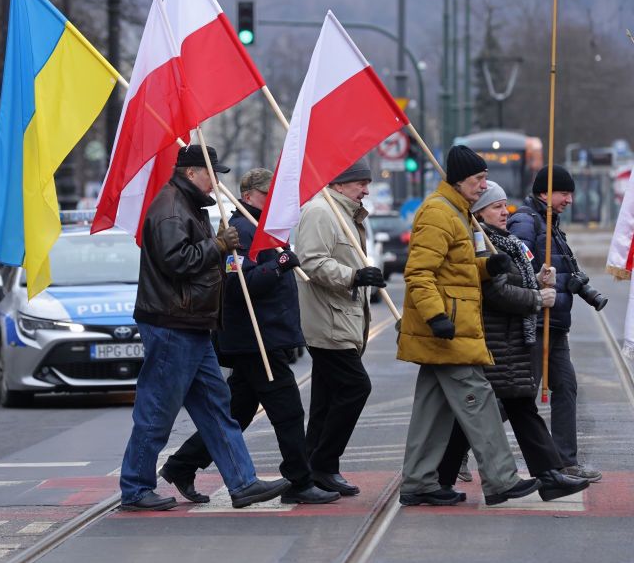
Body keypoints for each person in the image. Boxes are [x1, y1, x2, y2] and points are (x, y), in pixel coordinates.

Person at [119, 145, 290, 512]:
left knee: (216, 408)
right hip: (172, 324)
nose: (217, 183)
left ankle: (242, 482)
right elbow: (178, 263)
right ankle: (135, 487)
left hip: (192, 324)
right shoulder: (170, 209)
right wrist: (218, 245)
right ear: (194, 172)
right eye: (213, 174)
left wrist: (217, 248)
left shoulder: (187, 205)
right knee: (158, 409)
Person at [159, 168, 339, 506]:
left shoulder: (266, 230)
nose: (272, 199)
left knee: (237, 413)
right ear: (248, 196)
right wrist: (280, 265)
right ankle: (299, 481)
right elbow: (241, 286)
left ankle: (181, 465)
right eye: (266, 193)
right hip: (255, 340)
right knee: (287, 410)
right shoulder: (240, 230)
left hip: (268, 336)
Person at [398, 145, 541, 507]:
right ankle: (501, 479)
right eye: (479, 179)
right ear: (461, 180)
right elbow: (419, 273)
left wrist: (486, 268)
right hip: (448, 329)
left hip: (451, 324)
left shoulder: (455, 212)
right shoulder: (438, 213)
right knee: (480, 400)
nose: (484, 185)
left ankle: (418, 482)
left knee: (432, 408)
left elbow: (453, 269)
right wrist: (435, 317)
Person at [435, 181, 589, 502]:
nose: (505, 212)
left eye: (505, 205)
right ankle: (547, 477)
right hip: (494, 337)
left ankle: (440, 478)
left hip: (511, 338)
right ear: (478, 212)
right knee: (508, 407)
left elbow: (513, 281)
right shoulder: (481, 242)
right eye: (496, 206)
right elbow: (495, 291)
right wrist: (536, 298)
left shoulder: (507, 242)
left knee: (501, 408)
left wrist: (537, 278)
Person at [508, 165, 603, 483]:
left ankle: (565, 461)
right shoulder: (525, 221)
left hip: (555, 325)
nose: (570, 200)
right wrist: (539, 283)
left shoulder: (551, 224)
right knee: (517, 397)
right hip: (535, 323)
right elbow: (516, 266)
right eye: (564, 193)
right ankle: (459, 449)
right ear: (544, 193)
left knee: (566, 388)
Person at [294, 158, 383, 497]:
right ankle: (324, 464)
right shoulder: (321, 212)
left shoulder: (345, 215)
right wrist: (354, 276)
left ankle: (312, 467)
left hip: (341, 318)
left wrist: (361, 275)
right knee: (355, 388)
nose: (366, 189)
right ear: (340, 183)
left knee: (326, 400)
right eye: (360, 183)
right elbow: (313, 261)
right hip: (328, 321)